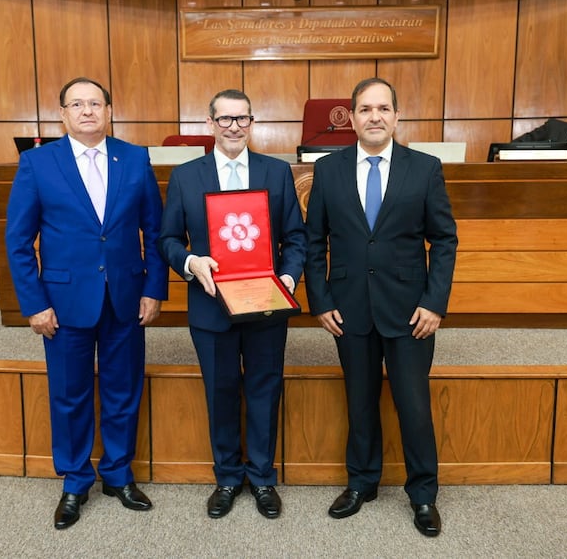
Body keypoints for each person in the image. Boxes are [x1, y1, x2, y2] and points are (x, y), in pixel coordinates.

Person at [5, 77, 168, 530]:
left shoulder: (134, 159)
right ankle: (76, 481)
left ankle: (117, 474)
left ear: (110, 110)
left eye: (95, 103)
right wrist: (34, 303)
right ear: (62, 114)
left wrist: (154, 288)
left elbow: (153, 232)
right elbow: (18, 241)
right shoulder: (37, 163)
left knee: (123, 391)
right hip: (62, 303)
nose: (87, 111)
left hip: (125, 298)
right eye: (76, 104)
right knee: (70, 395)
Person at [304, 77, 458, 537]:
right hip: (348, 309)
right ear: (351, 118)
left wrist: (434, 303)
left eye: (383, 108)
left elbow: (444, 240)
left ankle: (424, 495)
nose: (375, 116)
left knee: (413, 405)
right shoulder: (327, 170)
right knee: (360, 401)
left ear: (396, 116)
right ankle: (362, 483)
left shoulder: (425, 168)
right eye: (365, 109)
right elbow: (315, 243)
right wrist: (320, 301)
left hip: (411, 311)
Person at [159, 89, 307, 520]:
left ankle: (261, 477)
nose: (233, 127)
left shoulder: (276, 173)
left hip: (265, 304)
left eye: (241, 118)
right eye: (224, 119)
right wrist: (189, 261)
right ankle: (226, 476)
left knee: (264, 390)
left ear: (251, 123)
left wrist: (286, 276)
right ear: (210, 124)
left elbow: (296, 239)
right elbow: (168, 239)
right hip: (210, 306)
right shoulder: (186, 177)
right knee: (220, 392)